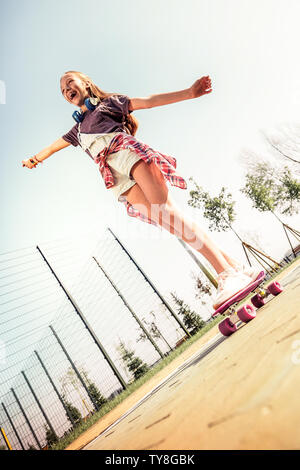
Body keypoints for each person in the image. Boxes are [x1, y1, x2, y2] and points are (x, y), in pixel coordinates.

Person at [22, 70, 262, 309]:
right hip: (113, 176)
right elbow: (55, 146)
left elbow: (148, 101)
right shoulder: (78, 130)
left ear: (85, 83)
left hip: (126, 152)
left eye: (69, 83)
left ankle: (225, 274)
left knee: (169, 213)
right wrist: (35, 158)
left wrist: (190, 93)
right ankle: (235, 268)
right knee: (168, 223)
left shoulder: (109, 104)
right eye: (62, 90)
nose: (66, 90)